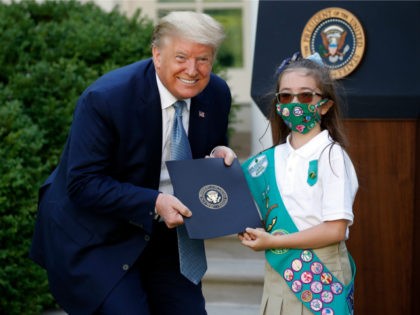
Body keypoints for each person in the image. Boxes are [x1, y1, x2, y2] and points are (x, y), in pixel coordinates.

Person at [30, 11, 236, 315]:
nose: (192, 70)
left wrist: (218, 153)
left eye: (203, 59)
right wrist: (156, 201)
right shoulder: (106, 98)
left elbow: (202, 151)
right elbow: (83, 183)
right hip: (98, 233)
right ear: (157, 54)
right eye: (181, 57)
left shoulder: (216, 93)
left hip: (166, 234)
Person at [240, 52, 358, 315]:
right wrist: (220, 158)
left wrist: (271, 243)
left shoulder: (332, 156)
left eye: (305, 96)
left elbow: (335, 230)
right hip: (277, 273)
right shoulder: (270, 159)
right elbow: (242, 201)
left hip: (321, 269)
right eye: (285, 96)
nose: (294, 104)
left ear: (325, 105)